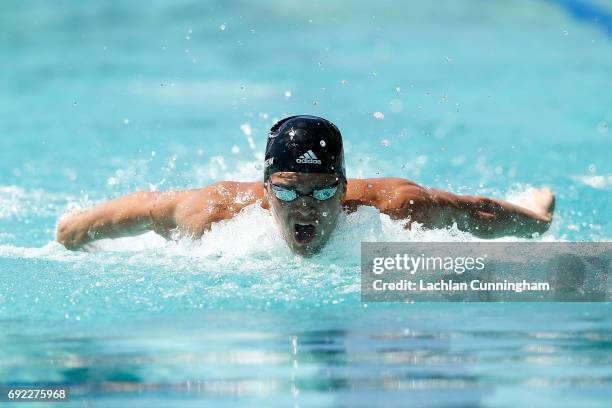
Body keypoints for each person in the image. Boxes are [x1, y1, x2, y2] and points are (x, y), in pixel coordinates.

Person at [56, 115, 555, 255]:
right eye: (289, 191)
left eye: (320, 193)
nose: (306, 208)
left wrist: (536, 219)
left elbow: (474, 210)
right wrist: (74, 230)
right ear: (267, 189)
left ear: (342, 189)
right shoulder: (215, 213)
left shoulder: (394, 208)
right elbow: (145, 208)